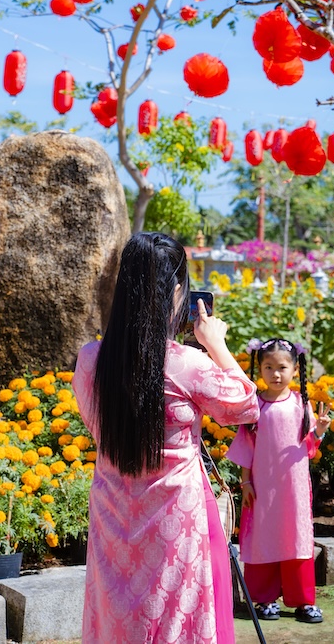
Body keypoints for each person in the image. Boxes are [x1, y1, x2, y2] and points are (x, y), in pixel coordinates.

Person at [72, 232, 259, 643]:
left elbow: (97, 426)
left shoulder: (89, 361)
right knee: (174, 619)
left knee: (115, 618)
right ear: (176, 292)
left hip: (111, 514)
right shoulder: (188, 364)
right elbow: (247, 404)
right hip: (176, 518)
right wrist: (217, 344)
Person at [226, 338, 330, 624]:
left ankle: (303, 601)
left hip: (293, 489)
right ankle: (264, 598)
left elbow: (309, 447)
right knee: (264, 538)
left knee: (296, 538)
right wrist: (246, 484)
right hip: (262, 489)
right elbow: (246, 450)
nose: (275, 374)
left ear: (295, 369)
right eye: (268, 367)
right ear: (258, 368)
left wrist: (319, 431)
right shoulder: (254, 408)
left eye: (282, 367)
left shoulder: (301, 404)